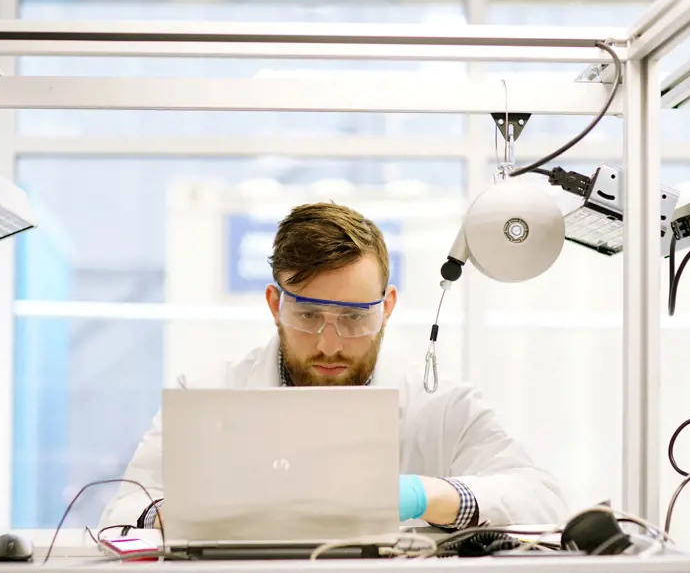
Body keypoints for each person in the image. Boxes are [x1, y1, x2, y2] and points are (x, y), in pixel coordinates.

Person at [100, 202, 567, 530]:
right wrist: (201, 509)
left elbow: (542, 498)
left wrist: (423, 496)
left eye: (354, 318)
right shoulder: (203, 393)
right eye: (308, 315)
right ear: (273, 304)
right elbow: (122, 512)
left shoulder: (440, 404)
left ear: (387, 308)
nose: (330, 344)